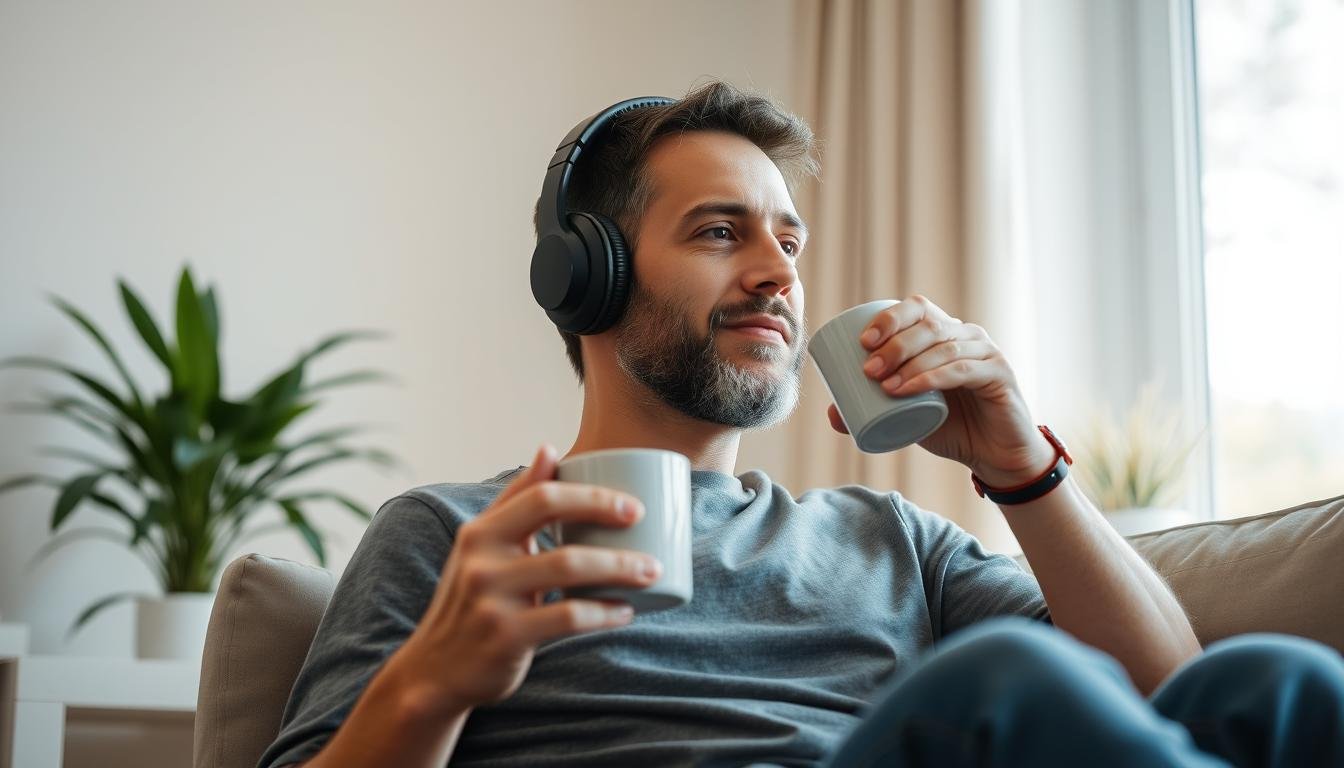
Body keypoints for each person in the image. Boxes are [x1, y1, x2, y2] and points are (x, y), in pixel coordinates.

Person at [259, 82, 1344, 768]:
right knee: (1009, 683)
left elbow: (1169, 696)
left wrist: (1022, 470)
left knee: (1283, 684)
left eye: (789, 239)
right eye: (721, 232)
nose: (780, 273)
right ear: (583, 279)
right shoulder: (456, 540)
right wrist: (432, 678)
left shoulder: (891, 541)